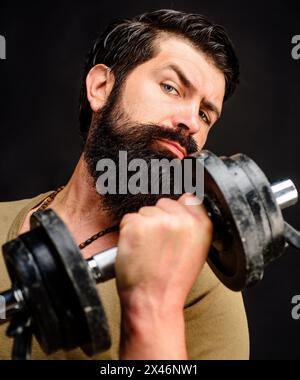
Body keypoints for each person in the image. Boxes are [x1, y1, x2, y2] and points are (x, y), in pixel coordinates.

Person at [0, 9, 249, 359]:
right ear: (101, 87)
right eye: (171, 87)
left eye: (206, 114)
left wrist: (155, 307)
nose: (192, 122)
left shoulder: (201, 280)